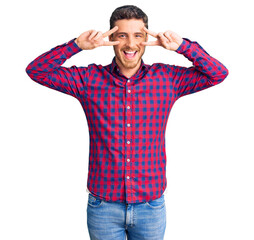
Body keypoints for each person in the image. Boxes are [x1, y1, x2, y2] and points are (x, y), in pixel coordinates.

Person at [25, 5, 229, 240]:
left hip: (150, 206)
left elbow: (217, 74)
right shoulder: (88, 80)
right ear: (111, 38)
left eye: (138, 36)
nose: (130, 44)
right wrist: (76, 46)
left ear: (146, 39)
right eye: (122, 35)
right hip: (103, 206)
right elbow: (36, 71)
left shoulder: (167, 79)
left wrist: (183, 47)